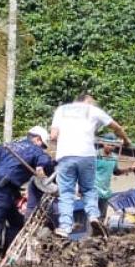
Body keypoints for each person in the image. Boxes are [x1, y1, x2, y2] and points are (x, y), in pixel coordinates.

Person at [50, 93, 130, 240]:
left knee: (66, 193)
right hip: (86, 155)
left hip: (65, 155)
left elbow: (53, 136)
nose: (94, 105)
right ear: (86, 101)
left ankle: (65, 227)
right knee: (88, 189)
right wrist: (125, 140)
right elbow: (116, 127)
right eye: (92, 102)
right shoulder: (93, 110)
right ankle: (93, 216)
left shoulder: (61, 110)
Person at [0, 126, 55, 261]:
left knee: (17, 222)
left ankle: (10, 256)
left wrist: (2, 147)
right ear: (37, 139)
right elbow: (46, 161)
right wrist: (42, 166)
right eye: (43, 145)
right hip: (4, 188)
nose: (42, 148)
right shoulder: (35, 149)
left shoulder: (11, 146)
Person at [94, 134, 133, 220]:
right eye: (108, 144)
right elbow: (86, 171)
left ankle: (98, 233)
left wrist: (130, 169)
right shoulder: (96, 155)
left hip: (105, 192)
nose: (110, 147)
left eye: (112, 145)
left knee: (102, 217)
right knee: (93, 215)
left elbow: (116, 172)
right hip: (93, 190)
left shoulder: (114, 157)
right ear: (103, 143)